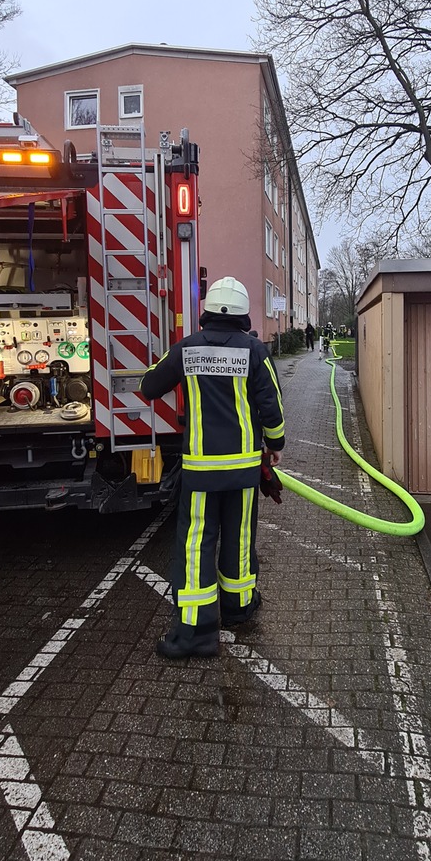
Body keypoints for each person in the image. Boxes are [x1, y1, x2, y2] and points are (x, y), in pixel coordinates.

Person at [140, 276, 286, 659]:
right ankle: (238, 609)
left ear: (206, 312)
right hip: (242, 471)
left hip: (201, 472)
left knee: (196, 545)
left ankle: (195, 633)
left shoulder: (187, 349)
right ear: (242, 313)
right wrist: (276, 446)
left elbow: (150, 385)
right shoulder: (255, 351)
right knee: (239, 540)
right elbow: (271, 404)